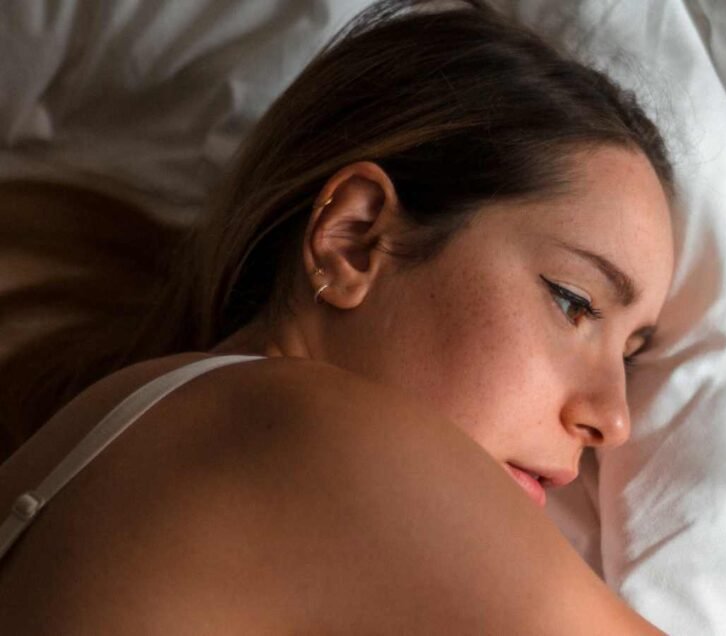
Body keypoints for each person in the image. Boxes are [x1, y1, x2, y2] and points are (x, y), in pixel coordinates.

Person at [0, 0, 676, 631]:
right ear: (355, 239)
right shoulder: (330, 441)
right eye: (573, 300)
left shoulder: (159, 419)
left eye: (632, 351)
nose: (613, 419)